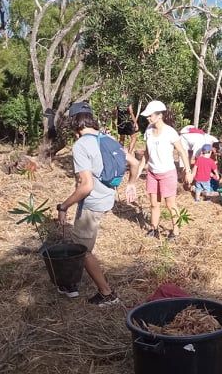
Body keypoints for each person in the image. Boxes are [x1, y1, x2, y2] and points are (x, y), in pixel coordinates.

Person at [56, 104, 139, 305]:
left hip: (92, 203)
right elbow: (135, 163)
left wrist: (64, 206)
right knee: (82, 246)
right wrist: (131, 184)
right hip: (106, 199)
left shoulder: (81, 145)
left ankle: (107, 293)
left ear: (74, 121)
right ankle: (71, 286)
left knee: (81, 250)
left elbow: (85, 185)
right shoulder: (107, 138)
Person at [139, 100, 192, 240]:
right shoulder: (149, 131)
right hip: (152, 172)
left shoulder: (170, 132)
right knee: (154, 203)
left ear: (159, 115)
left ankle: (176, 231)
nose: (148, 118)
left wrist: (188, 171)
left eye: (150, 115)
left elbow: (182, 151)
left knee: (170, 204)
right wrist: (139, 169)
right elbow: (146, 152)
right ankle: (154, 228)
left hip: (167, 173)